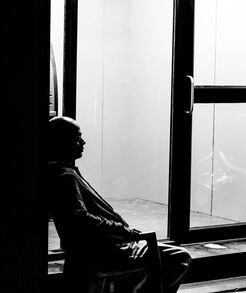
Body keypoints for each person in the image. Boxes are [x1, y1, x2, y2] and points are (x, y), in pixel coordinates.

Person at [48, 116, 191, 293]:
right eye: (78, 138)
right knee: (179, 257)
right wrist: (124, 231)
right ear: (64, 142)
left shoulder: (63, 173)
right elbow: (81, 219)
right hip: (105, 251)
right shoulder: (66, 177)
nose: (83, 142)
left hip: (103, 247)